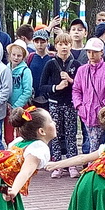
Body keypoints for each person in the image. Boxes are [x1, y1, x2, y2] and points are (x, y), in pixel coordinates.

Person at [41, 32, 80, 177]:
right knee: (54, 134)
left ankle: (72, 164)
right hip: (55, 104)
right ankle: (57, 164)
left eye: (67, 44)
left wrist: (70, 80)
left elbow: (81, 86)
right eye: (60, 44)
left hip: (70, 104)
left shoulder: (76, 64)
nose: (64, 47)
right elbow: (42, 86)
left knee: (71, 134)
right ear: (55, 46)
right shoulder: (50, 64)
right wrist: (55, 87)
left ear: (71, 45)